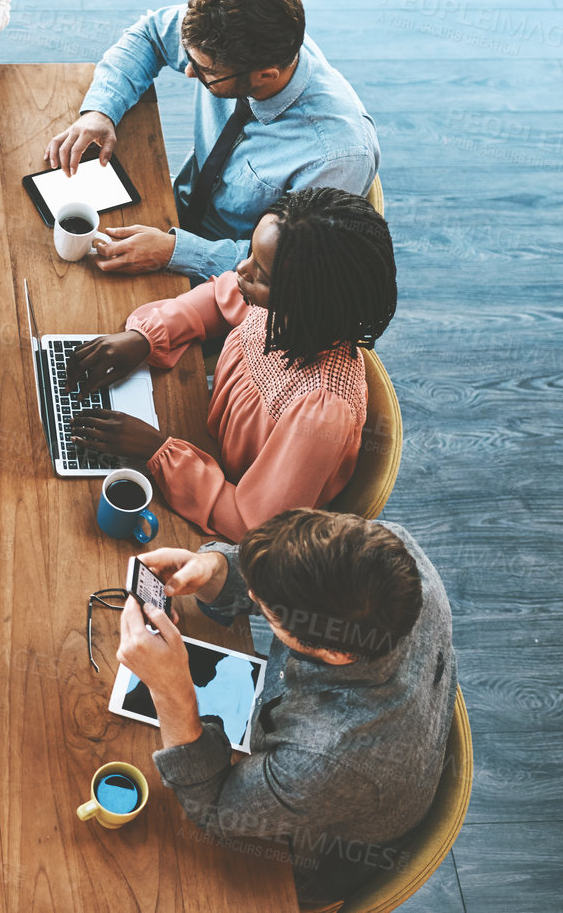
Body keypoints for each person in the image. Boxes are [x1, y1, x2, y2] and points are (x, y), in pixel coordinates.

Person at [116, 510, 456, 905]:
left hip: (306, 855)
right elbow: (296, 578)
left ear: (335, 653)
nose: (251, 596)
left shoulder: (324, 758)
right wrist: (216, 568)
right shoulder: (392, 549)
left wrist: (171, 693)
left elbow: (215, 810)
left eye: (268, 611)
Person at [67, 188, 394, 542]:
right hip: (207, 449)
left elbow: (253, 525)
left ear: (307, 302)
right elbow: (217, 299)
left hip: (232, 515)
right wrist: (145, 338)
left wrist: (157, 450)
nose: (241, 268)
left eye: (261, 274)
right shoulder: (282, 309)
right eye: (251, 253)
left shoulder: (322, 410)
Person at [43, 0, 378, 281]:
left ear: (266, 75)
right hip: (172, 209)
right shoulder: (231, 35)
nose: (189, 71)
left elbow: (291, 264)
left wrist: (173, 252)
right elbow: (151, 34)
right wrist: (101, 111)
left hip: (231, 279)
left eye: (206, 72)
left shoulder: (336, 157)